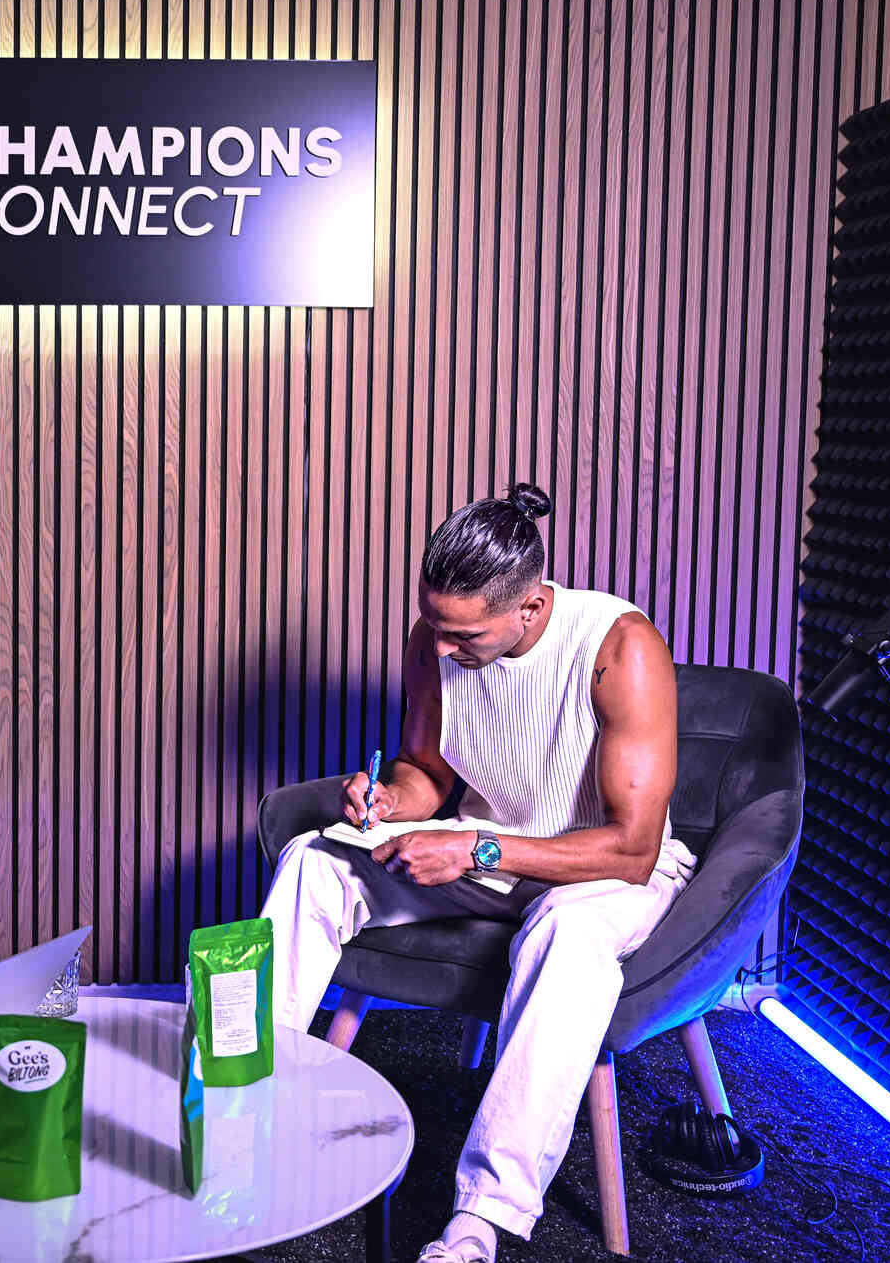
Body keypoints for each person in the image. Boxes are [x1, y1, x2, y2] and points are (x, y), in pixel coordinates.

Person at [258, 483, 695, 1263]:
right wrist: (389, 799)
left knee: (565, 932)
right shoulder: (434, 639)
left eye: (464, 635)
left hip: (605, 871)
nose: (441, 649)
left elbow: (630, 846)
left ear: (531, 606)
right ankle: (244, 1112)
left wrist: (473, 849)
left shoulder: (620, 648)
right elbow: (428, 771)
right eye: (434, 627)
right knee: (314, 860)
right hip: (492, 848)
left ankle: (479, 1222)